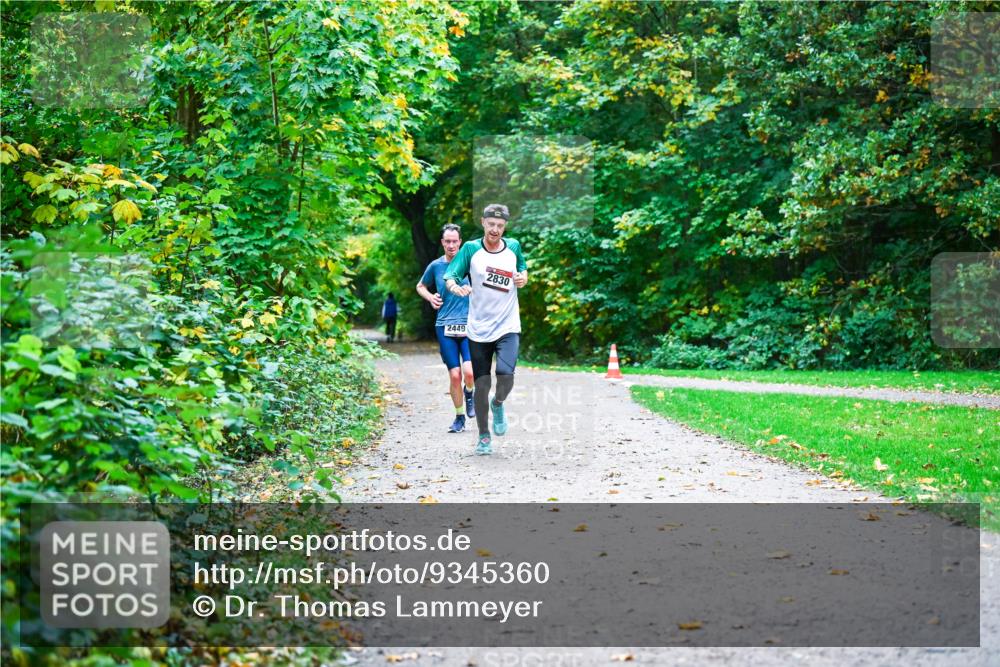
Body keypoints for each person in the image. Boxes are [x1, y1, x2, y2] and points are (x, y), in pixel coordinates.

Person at [443, 204, 527, 455]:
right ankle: (483, 437)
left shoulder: (513, 247)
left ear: (505, 226)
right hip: (478, 329)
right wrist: (455, 287)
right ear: (483, 222)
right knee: (481, 385)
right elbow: (450, 276)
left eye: (500, 226)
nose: (495, 230)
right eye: (491, 224)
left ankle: (498, 403)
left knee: (506, 374)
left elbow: (522, 270)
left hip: (508, 325)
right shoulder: (470, 249)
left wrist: (523, 277)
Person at [416, 224, 476, 433]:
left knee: (469, 373)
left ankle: (470, 393)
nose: (451, 245)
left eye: (454, 241)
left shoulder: (471, 264)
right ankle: (459, 417)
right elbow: (420, 286)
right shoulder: (436, 266)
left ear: (460, 242)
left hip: (469, 325)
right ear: (442, 242)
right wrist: (430, 297)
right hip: (444, 326)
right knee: (455, 375)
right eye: (447, 241)